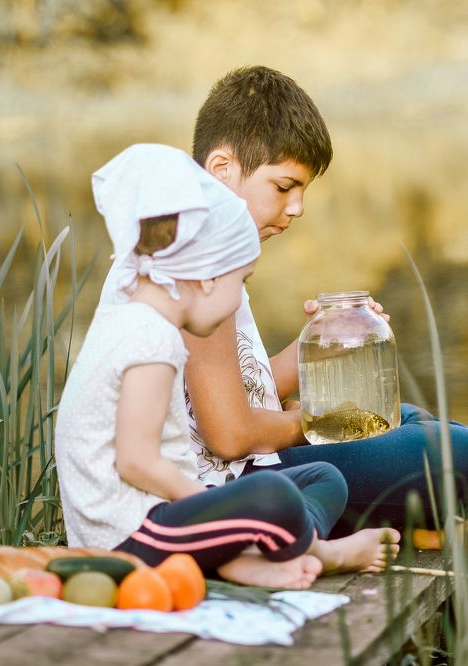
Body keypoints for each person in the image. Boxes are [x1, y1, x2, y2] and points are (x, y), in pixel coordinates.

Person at [99, 66, 468, 564]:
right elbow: (229, 435)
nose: (297, 207)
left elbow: (227, 394)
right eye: (284, 186)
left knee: (407, 421)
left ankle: (438, 528)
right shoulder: (196, 261)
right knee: (464, 458)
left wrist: (321, 347)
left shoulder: (195, 239)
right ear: (221, 169)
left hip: (242, 467)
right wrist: (319, 423)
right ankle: (436, 527)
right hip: (220, 486)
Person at [56, 144, 399, 590]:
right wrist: (212, 506)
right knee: (271, 495)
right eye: (242, 281)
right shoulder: (151, 338)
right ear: (206, 278)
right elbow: (137, 461)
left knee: (323, 476)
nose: (239, 298)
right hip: (130, 534)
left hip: (159, 517)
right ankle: (324, 553)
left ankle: (247, 556)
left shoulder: (134, 319)